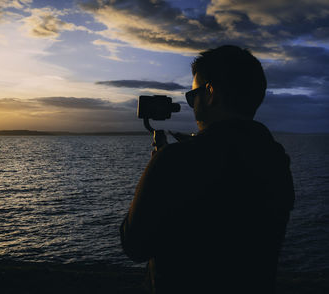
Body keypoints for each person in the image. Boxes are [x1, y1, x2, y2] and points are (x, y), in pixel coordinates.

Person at [120, 45, 295, 294]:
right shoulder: (275, 159)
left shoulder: (175, 162)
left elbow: (134, 245)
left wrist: (160, 163)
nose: (192, 105)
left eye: (193, 96)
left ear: (210, 93)